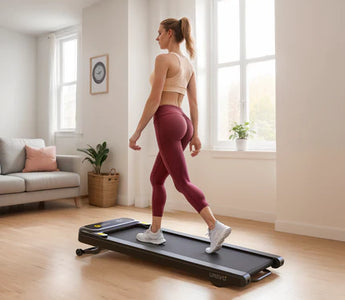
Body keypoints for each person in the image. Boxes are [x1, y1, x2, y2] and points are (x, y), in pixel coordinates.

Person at [129, 17, 231, 254]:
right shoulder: (188, 64)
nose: (157, 37)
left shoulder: (163, 59)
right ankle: (154, 232)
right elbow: (193, 103)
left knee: (181, 181)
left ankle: (214, 226)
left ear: (170, 33)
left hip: (166, 118)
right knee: (156, 179)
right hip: (183, 120)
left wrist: (136, 132)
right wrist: (195, 133)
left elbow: (155, 99)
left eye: (159, 32)